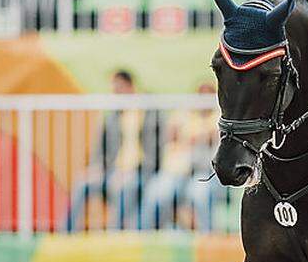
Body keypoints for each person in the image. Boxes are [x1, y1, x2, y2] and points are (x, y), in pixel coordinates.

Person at [66, 70, 161, 231]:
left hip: (139, 173)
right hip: (112, 172)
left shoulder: (148, 112)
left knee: (124, 187)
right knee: (82, 183)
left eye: (119, 89)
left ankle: (113, 235)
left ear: (130, 86)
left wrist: (131, 171)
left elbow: (154, 152)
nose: (116, 94)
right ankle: (66, 233)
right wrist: (96, 167)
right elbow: (100, 148)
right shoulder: (112, 116)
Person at [142, 82, 224, 230]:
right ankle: (145, 236)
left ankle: (208, 236)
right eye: (201, 96)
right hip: (176, 171)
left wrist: (192, 138)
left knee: (199, 193)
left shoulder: (219, 118)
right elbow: (171, 134)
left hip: (205, 173)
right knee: (157, 193)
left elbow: (211, 137)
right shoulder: (185, 115)